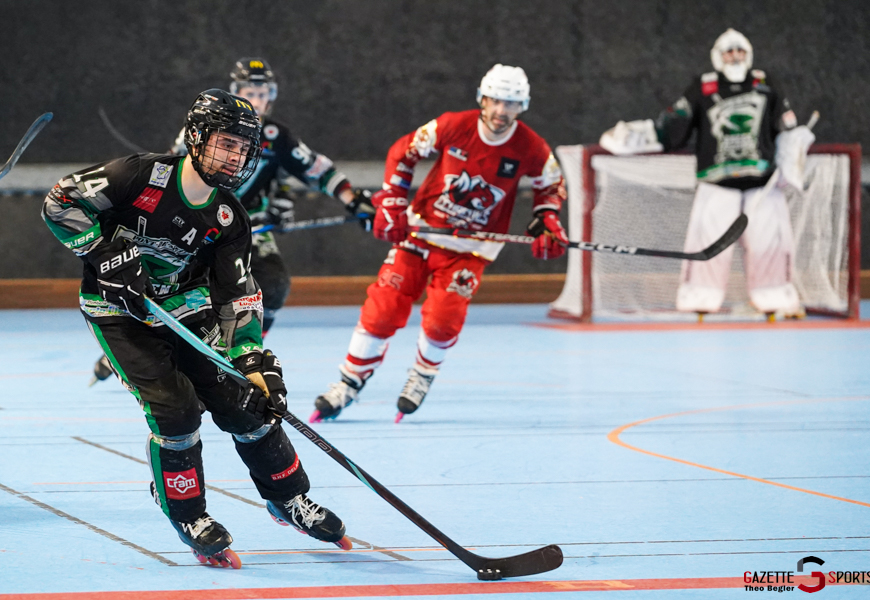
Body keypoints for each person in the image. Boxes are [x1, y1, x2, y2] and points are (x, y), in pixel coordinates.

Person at [42, 89, 351, 568]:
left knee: (247, 403)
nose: (235, 157)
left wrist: (252, 359)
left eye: (243, 149)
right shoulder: (139, 175)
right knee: (177, 412)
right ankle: (188, 512)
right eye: (226, 143)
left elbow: (239, 294)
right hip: (119, 317)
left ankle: (288, 498)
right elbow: (60, 201)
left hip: (187, 312)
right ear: (197, 136)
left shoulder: (228, 217)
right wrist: (103, 253)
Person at [90, 57, 375, 385]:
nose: (255, 100)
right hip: (197, 220)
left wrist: (353, 201)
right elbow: (175, 173)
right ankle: (139, 339)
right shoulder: (206, 127)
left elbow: (313, 168)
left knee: (274, 284)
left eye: (262, 92)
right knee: (175, 284)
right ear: (235, 92)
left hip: (247, 224)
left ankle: (242, 352)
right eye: (247, 91)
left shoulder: (274, 134)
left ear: (272, 96)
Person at [310, 64, 568, 423]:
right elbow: (404, 152)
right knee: (382, 308)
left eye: (510, 103)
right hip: (422, 233)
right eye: (494, 100)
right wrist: (395, 203)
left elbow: (551, 186)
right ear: (482, 98)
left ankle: (422, 374)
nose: (500, 111)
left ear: (522, 105)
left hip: (471, 248)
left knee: (443, 320)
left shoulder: (531, 147)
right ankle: (348, 382)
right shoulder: (453, 125)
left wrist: (548, 220)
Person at [599, 28, 815, 318]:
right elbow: (675, 124)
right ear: (717, 56)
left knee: (770, 242)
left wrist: (792, 156)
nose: (735, 56)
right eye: (729, 51)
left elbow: (786, 129)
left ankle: (773, 297)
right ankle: (700, 298)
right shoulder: (703, 87)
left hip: (763, 184)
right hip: (716, 184)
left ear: (748, 55)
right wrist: (641, 136)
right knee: (707, 243)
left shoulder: (767, 83)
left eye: (740, 51)